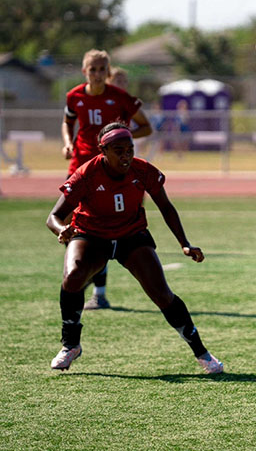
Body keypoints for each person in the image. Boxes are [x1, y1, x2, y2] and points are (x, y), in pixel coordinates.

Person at [46, 123, 223, 374]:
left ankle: (202, 353)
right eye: (118, 150)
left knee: (162, 294)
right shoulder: (87, 173)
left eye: (130, 149)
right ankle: (70, 345)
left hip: (131, 234)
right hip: (92, 235)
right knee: (73, 276)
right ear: (103, 150)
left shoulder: (143, 170)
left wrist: (184, 243)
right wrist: (60, 230)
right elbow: (54, 216)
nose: (126, 156)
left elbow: (166, 207)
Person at [62, 50, 153, 310]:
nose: (98, 74)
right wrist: (68, 142)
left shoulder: (119, 98)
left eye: (103, 69)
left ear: (108, 72)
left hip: (111, 172)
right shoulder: (74, 96)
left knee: (101, 226)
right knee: (68, 223)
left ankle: (97, 290)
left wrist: (121, 140)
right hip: (80, 166)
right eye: (93, 69)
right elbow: (67, 122)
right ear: (84, 71)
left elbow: (146, 126)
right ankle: (84, 273)